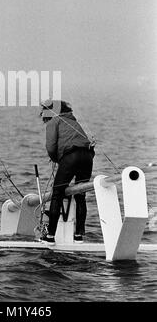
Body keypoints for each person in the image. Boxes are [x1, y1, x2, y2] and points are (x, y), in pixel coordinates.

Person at [40, 99, 95, 244]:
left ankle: (50, 236)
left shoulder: (54, 122)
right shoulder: (74, 122)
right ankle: (79, 236)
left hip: (71, 156)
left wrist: (56, 159)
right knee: (80, 195)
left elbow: (51, 147)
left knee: (57, 194)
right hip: (88, 156)